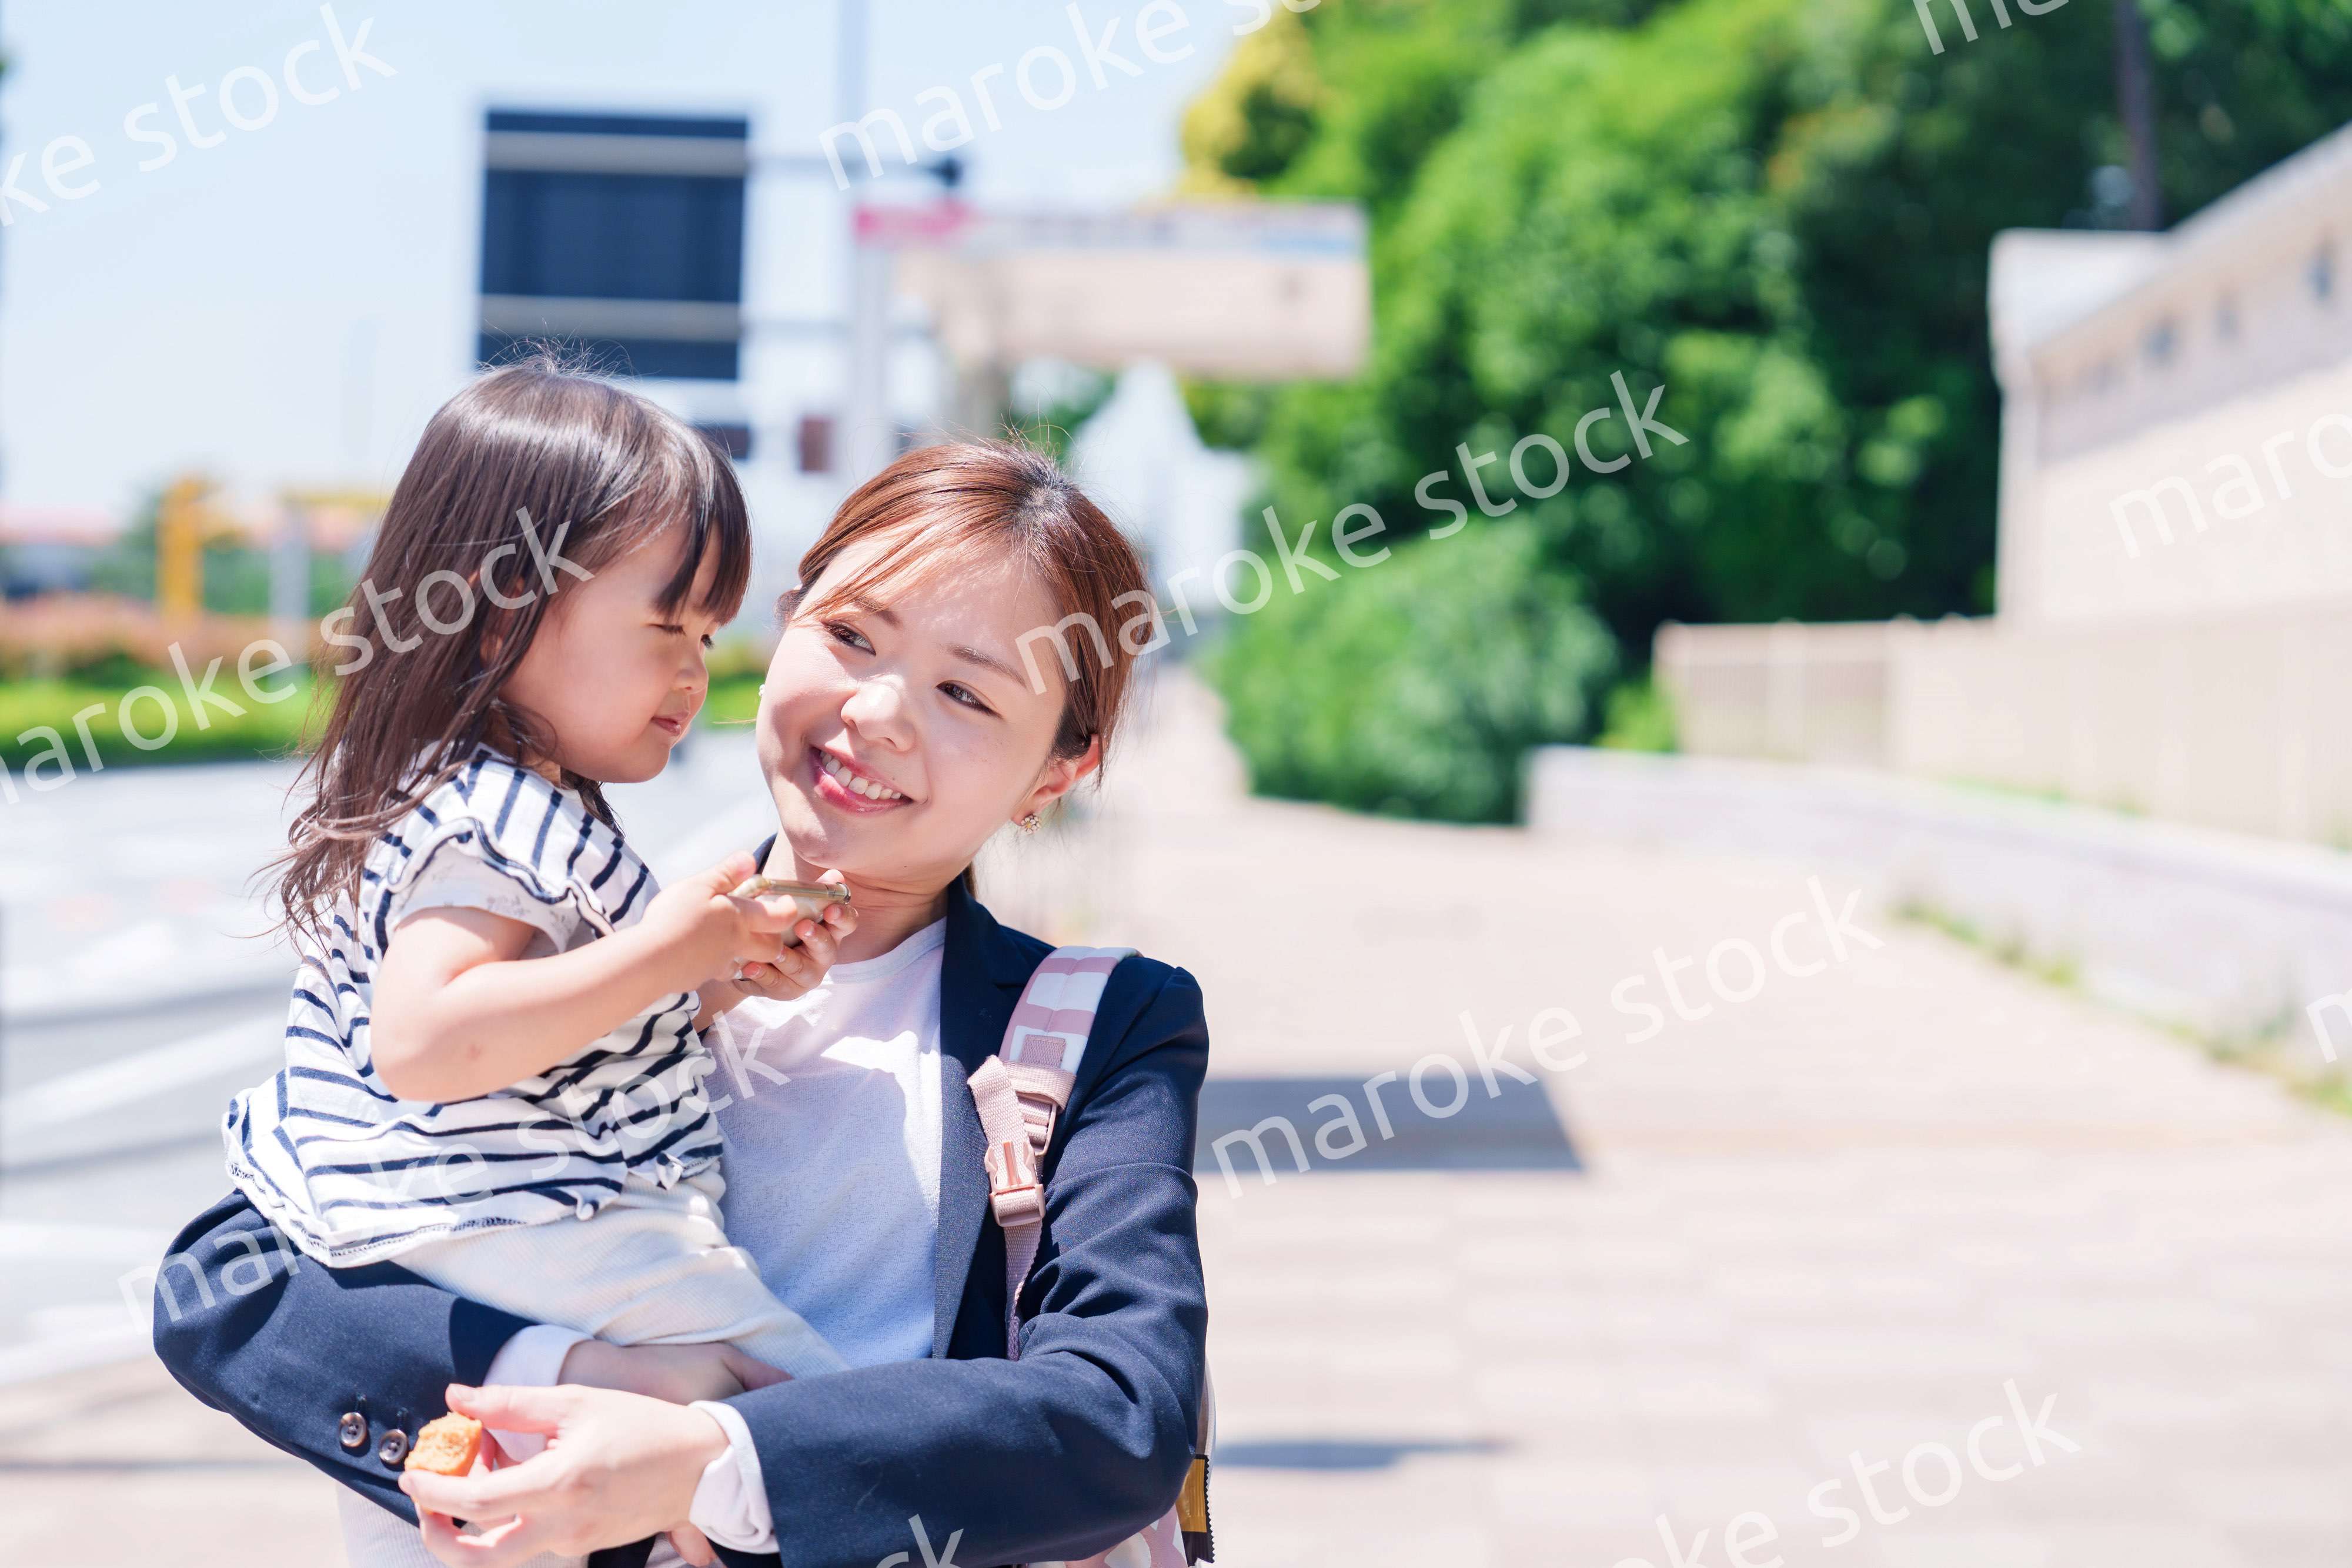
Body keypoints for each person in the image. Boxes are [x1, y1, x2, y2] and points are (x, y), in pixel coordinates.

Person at [153, 438, 1210, 1568]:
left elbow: (1118, 1413)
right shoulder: (570, 935)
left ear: (1057, 771)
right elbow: (226, 1283)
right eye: (850, 635)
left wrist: (708, 1458)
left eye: (965, 691)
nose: (880, 713)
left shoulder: (1101, 1025)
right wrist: (563, 1381)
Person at [222, 360, 869, 1564]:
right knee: (823, 1427)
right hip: (540, 1226)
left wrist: (715, 971)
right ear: (506, 602)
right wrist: (671, 946)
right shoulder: (489, 817)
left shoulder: (505, 799)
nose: (693, 672)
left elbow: (555, 1040)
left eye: (710, 633)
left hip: (481, 1234)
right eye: (664, 624)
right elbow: (429, 1040)